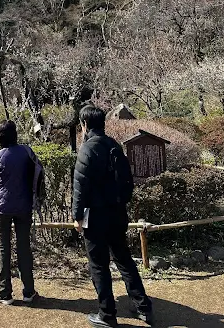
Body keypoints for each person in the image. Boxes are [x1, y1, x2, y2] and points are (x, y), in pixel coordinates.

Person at [72, 105, 153, 327]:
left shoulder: (87, 149)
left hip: (95, 216)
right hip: (117, 213)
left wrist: (77, 216)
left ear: (85, 124)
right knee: (124, 259)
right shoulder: (113, 145)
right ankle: (143, 306)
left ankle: (107, 314)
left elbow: (79, 187)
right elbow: (127, 181)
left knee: (98, 264)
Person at [0, 120, 40, 305]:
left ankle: (4, 292)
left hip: (1, 207)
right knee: (24, 247)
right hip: (24, 205)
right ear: (15, 134)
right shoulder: (27, 151)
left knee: (3, 248)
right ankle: (28, 291)